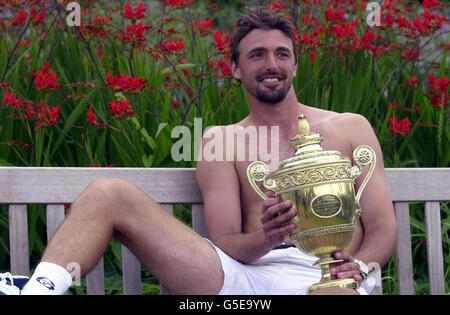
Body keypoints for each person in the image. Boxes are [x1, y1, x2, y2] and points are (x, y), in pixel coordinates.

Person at [0, 7, 397, 295]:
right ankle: (37, 291)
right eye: (256, 55)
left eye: (281, 53)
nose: (270, 64)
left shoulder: (349, 127)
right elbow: (225, 242)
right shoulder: (219, 141)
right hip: (246, 279)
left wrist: (359, 267)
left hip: (339, 281)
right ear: (235, 69)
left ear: (296, 64)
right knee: (108, 192)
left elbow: (381, 228)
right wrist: (266, 236)